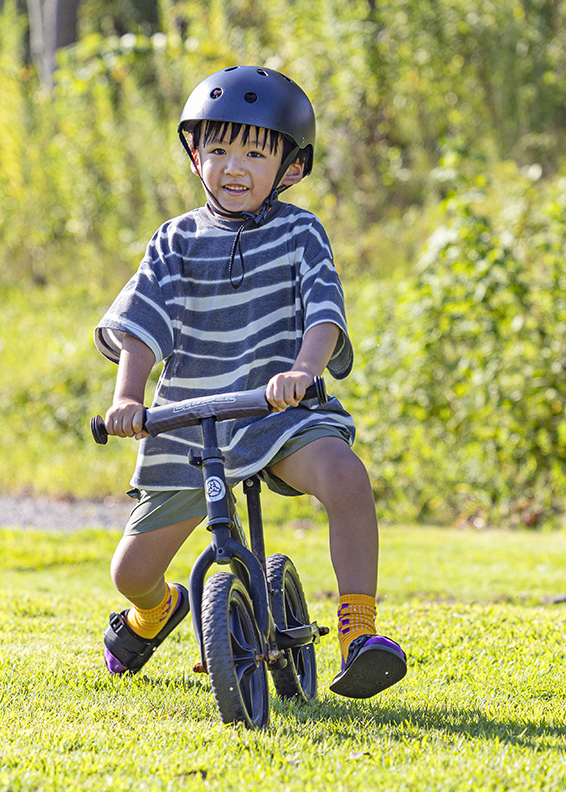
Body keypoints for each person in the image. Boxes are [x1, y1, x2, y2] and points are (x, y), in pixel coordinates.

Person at [93, 65, 406, 698]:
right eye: (218, 149)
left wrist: (303, 371)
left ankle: (359, 634)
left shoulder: (299, 233)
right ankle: (155, 613)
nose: (233, 166)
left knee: (346, 477)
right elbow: (139, 323)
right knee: (130, 573)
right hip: (188, 419)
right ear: (194, 154)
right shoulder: (175, 240)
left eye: (254, 153)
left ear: (289, 168)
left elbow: (323, 311)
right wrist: (128, 396)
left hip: (276, 411)